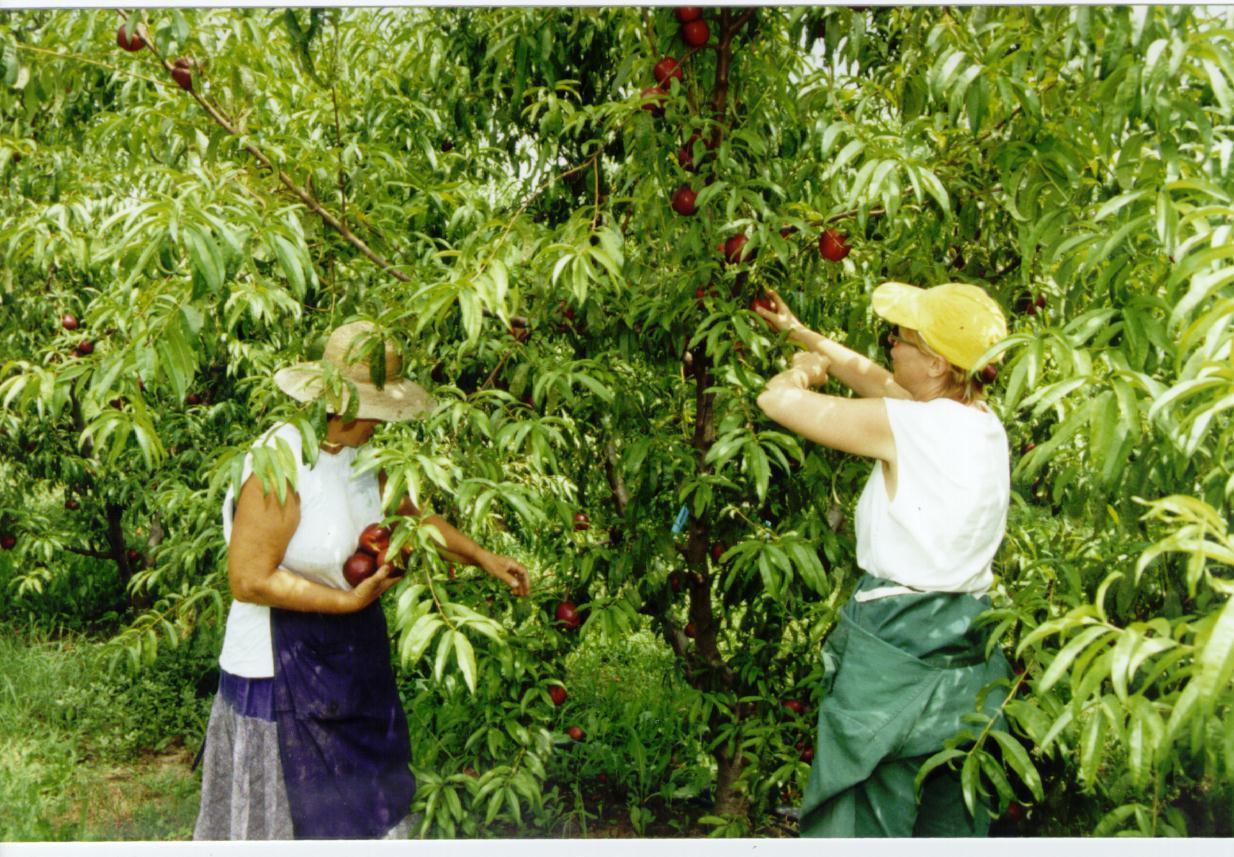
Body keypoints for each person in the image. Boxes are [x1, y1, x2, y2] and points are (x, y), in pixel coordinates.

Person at [194, 321, 531, 841]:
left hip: (347, 662)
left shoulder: (363, 458)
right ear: (348, 402)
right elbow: (249, 579)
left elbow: (413, 525)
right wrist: (346, 602)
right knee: (287, 822)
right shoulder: (282, 458)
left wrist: (483, 557)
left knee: (360, 809)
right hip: (275, 675)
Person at [754, 281, 1013, 837]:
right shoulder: (981, 424)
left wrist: (802, 369)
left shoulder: (913, 428)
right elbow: (878, 381)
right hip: (968, 639)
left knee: (864, 804)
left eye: (899, 338)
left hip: (896, 644)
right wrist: (800, 330)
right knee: (951, 806)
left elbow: (777, 402)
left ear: (939, 364)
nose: (890, 346)